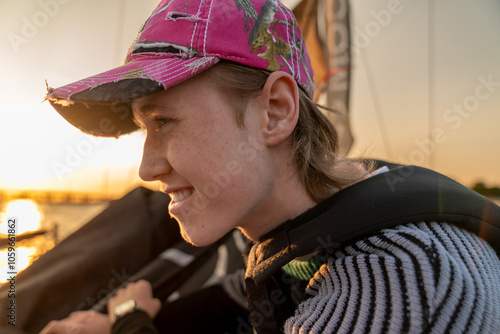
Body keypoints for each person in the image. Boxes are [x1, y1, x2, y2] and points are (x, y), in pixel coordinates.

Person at [41, 0, 500, 333]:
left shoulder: (397, 283)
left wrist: (129, 326)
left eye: (165, 122)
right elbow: (239, 297)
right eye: (145, 129)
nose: (147, 167)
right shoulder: (301, 236)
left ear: (276, 111)